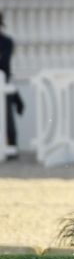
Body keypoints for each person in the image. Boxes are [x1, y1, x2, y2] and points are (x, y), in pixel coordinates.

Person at [0, 13, 21, 160]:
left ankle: (11, 147)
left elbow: (4, 64)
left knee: (7, 120)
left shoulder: (6, 42)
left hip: (4, 85)